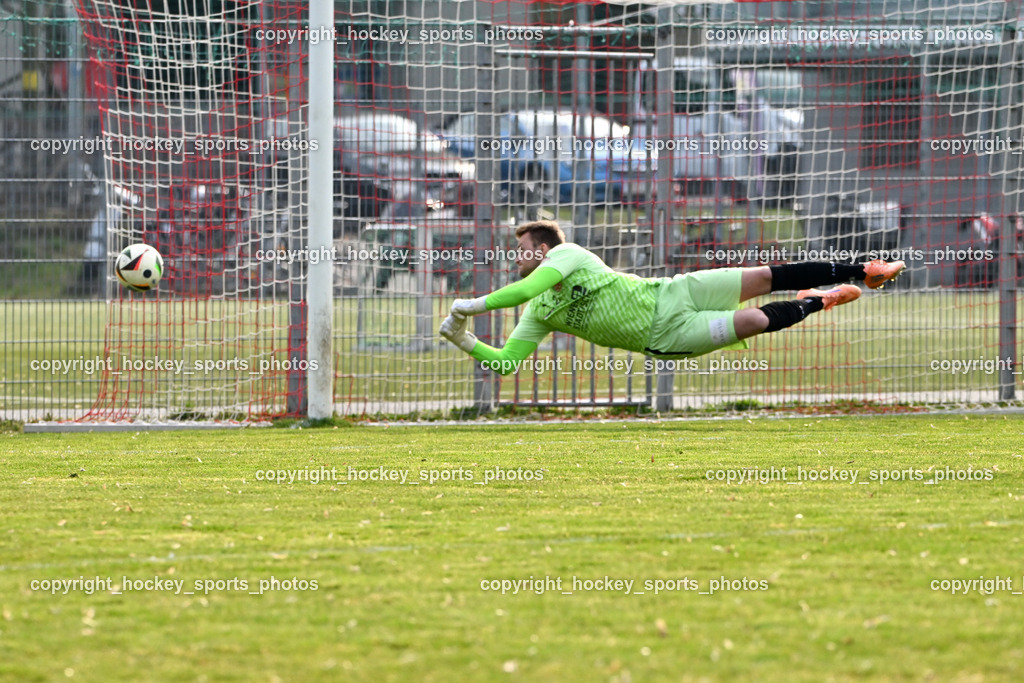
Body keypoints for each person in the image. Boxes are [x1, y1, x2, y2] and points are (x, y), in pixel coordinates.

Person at [439, 220, 905, 374]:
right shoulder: (540, 311)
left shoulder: (568, 254)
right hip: (668, 334)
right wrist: (462, 340)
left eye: (521, 251)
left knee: (765, 274)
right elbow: (506, 363)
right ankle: (817, 301)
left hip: (673, 292)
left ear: (543, 249)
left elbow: (523, 287)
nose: (514, 259)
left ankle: (866, 270)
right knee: (754, 322)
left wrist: (472, 306)